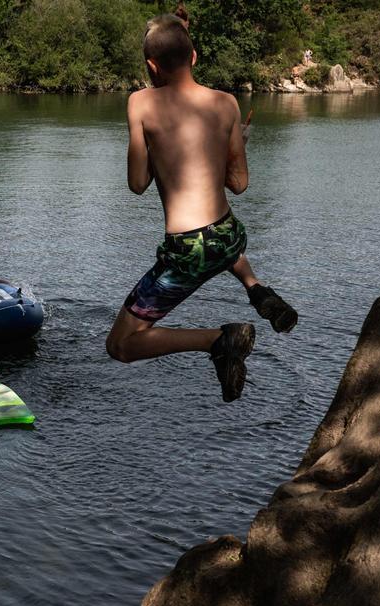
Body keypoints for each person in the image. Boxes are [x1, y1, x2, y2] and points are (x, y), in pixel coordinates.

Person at [105, 12, 298, 402]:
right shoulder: (226, 104)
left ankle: (218, 340)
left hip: (187, 250)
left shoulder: (140, 103)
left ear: (150, 65)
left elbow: (137, 184)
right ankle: (256, 288)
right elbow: (239, 184)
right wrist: (228, 144)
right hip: (227, 234)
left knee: (120, 346)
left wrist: (157, 148)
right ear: (194, 57)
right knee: (222, 241)